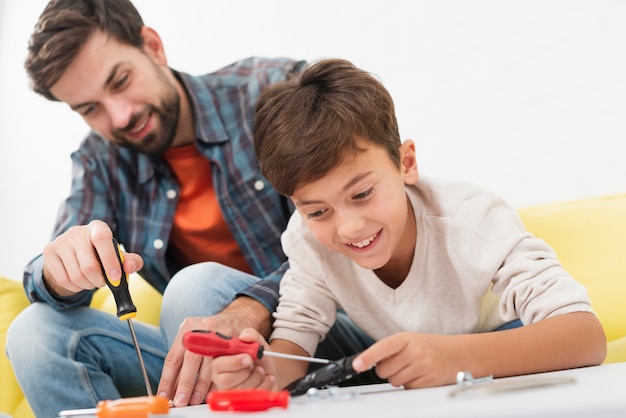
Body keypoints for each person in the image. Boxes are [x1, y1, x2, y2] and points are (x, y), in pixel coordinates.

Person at [6, 2, 373, 417]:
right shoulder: (101, 162)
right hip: (198, 353)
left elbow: (353, 227)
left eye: (121, 80)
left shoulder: (274, 91)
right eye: (90, 109)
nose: (120, 116)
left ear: (153, 46)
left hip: (319, 334)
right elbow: (47, 272)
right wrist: (58, 271)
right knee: (33, 334)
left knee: (194, 291)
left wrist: (250, 306)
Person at [210, 58, 607, 392]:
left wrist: (456, 357)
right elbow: (295, 339)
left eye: (362, 194)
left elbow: (585, 335)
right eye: (317, 212)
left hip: (501, 340)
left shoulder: (471, 217)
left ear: (406, 164)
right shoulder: (306, 239)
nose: (348, 227)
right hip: (393, 352)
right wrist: (263, 376)